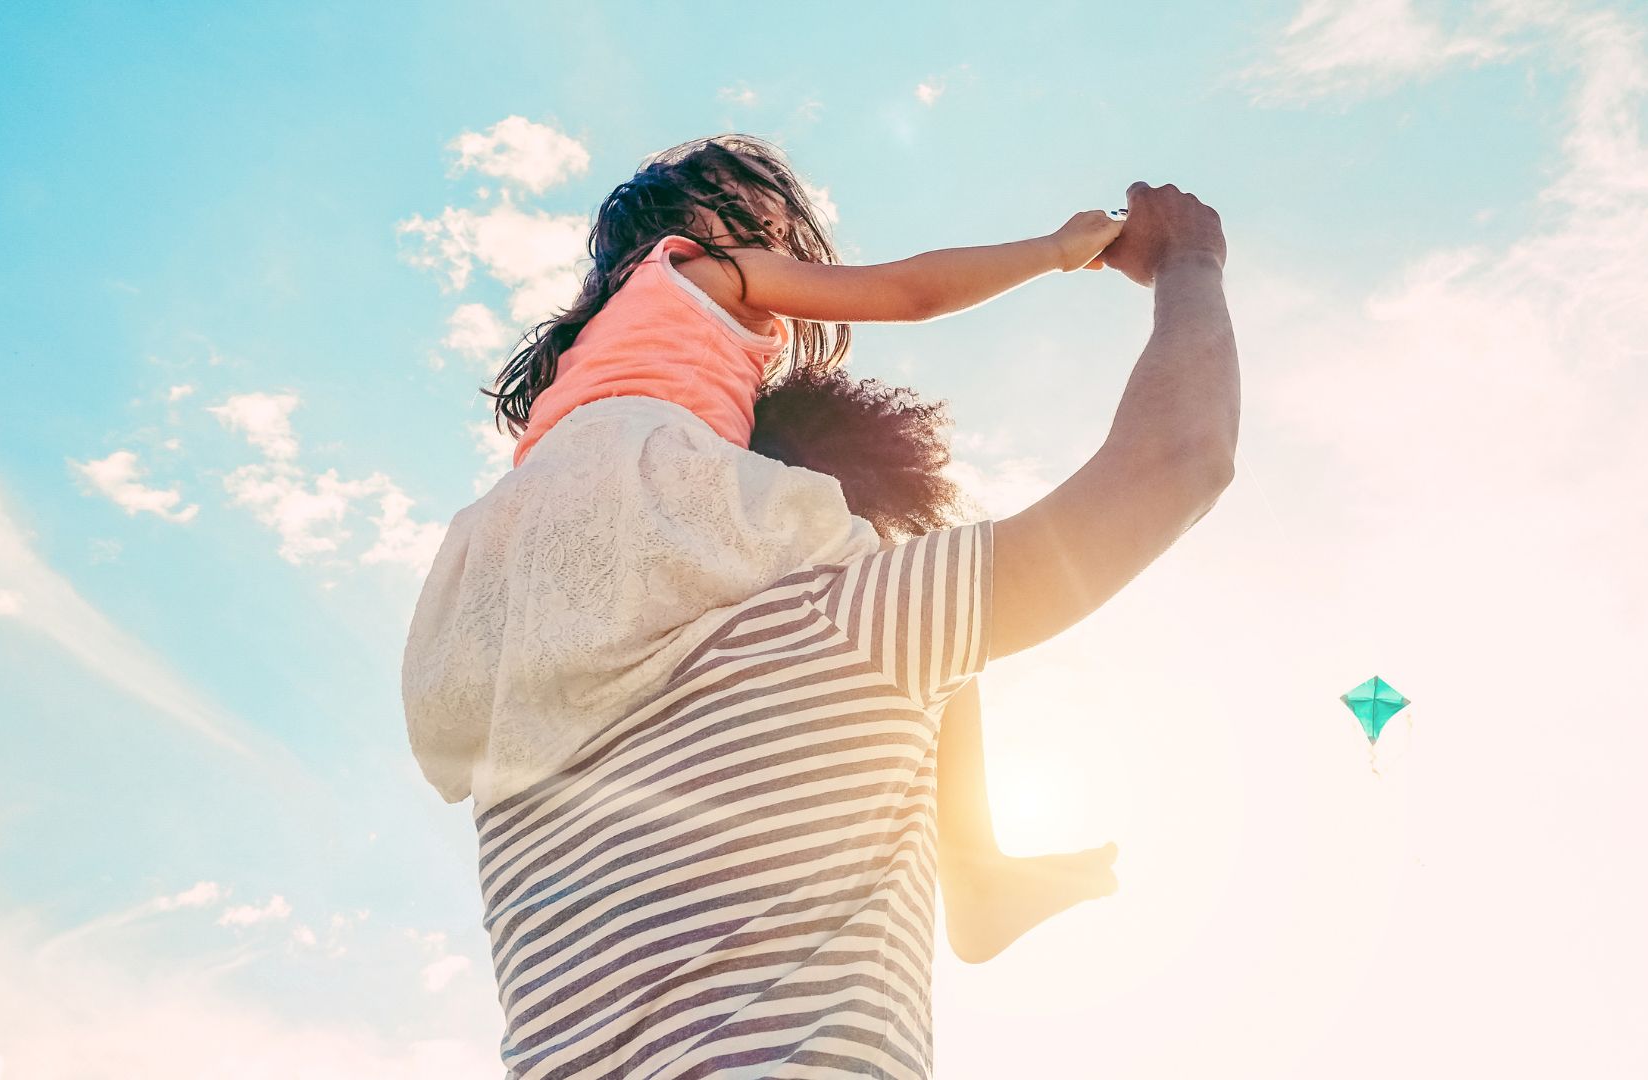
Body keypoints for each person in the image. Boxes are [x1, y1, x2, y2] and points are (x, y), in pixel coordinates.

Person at [402, 134, 1234, 1077]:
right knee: (923, 616)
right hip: (644, 505)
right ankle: (978, 867)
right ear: (707, 226)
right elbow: (912, 291)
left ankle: (978, 870)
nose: (781, 255)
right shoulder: (705, 278)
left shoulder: (524, 795)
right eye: (765, 228)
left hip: (503, 577)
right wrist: (1070, 250)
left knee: (924, 622)